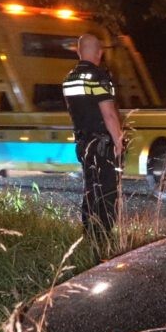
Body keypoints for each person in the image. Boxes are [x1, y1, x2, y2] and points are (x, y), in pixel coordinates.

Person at [63, 34, 123, 250]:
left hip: (82, 143)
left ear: (79, 52)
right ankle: (105, 240)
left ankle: (89, 237)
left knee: (90, 189)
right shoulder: (99, 77)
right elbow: (109, 114)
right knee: (107, 192)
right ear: (99, 52)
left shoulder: (69, 78)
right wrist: (118, 141)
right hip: (101, 144)